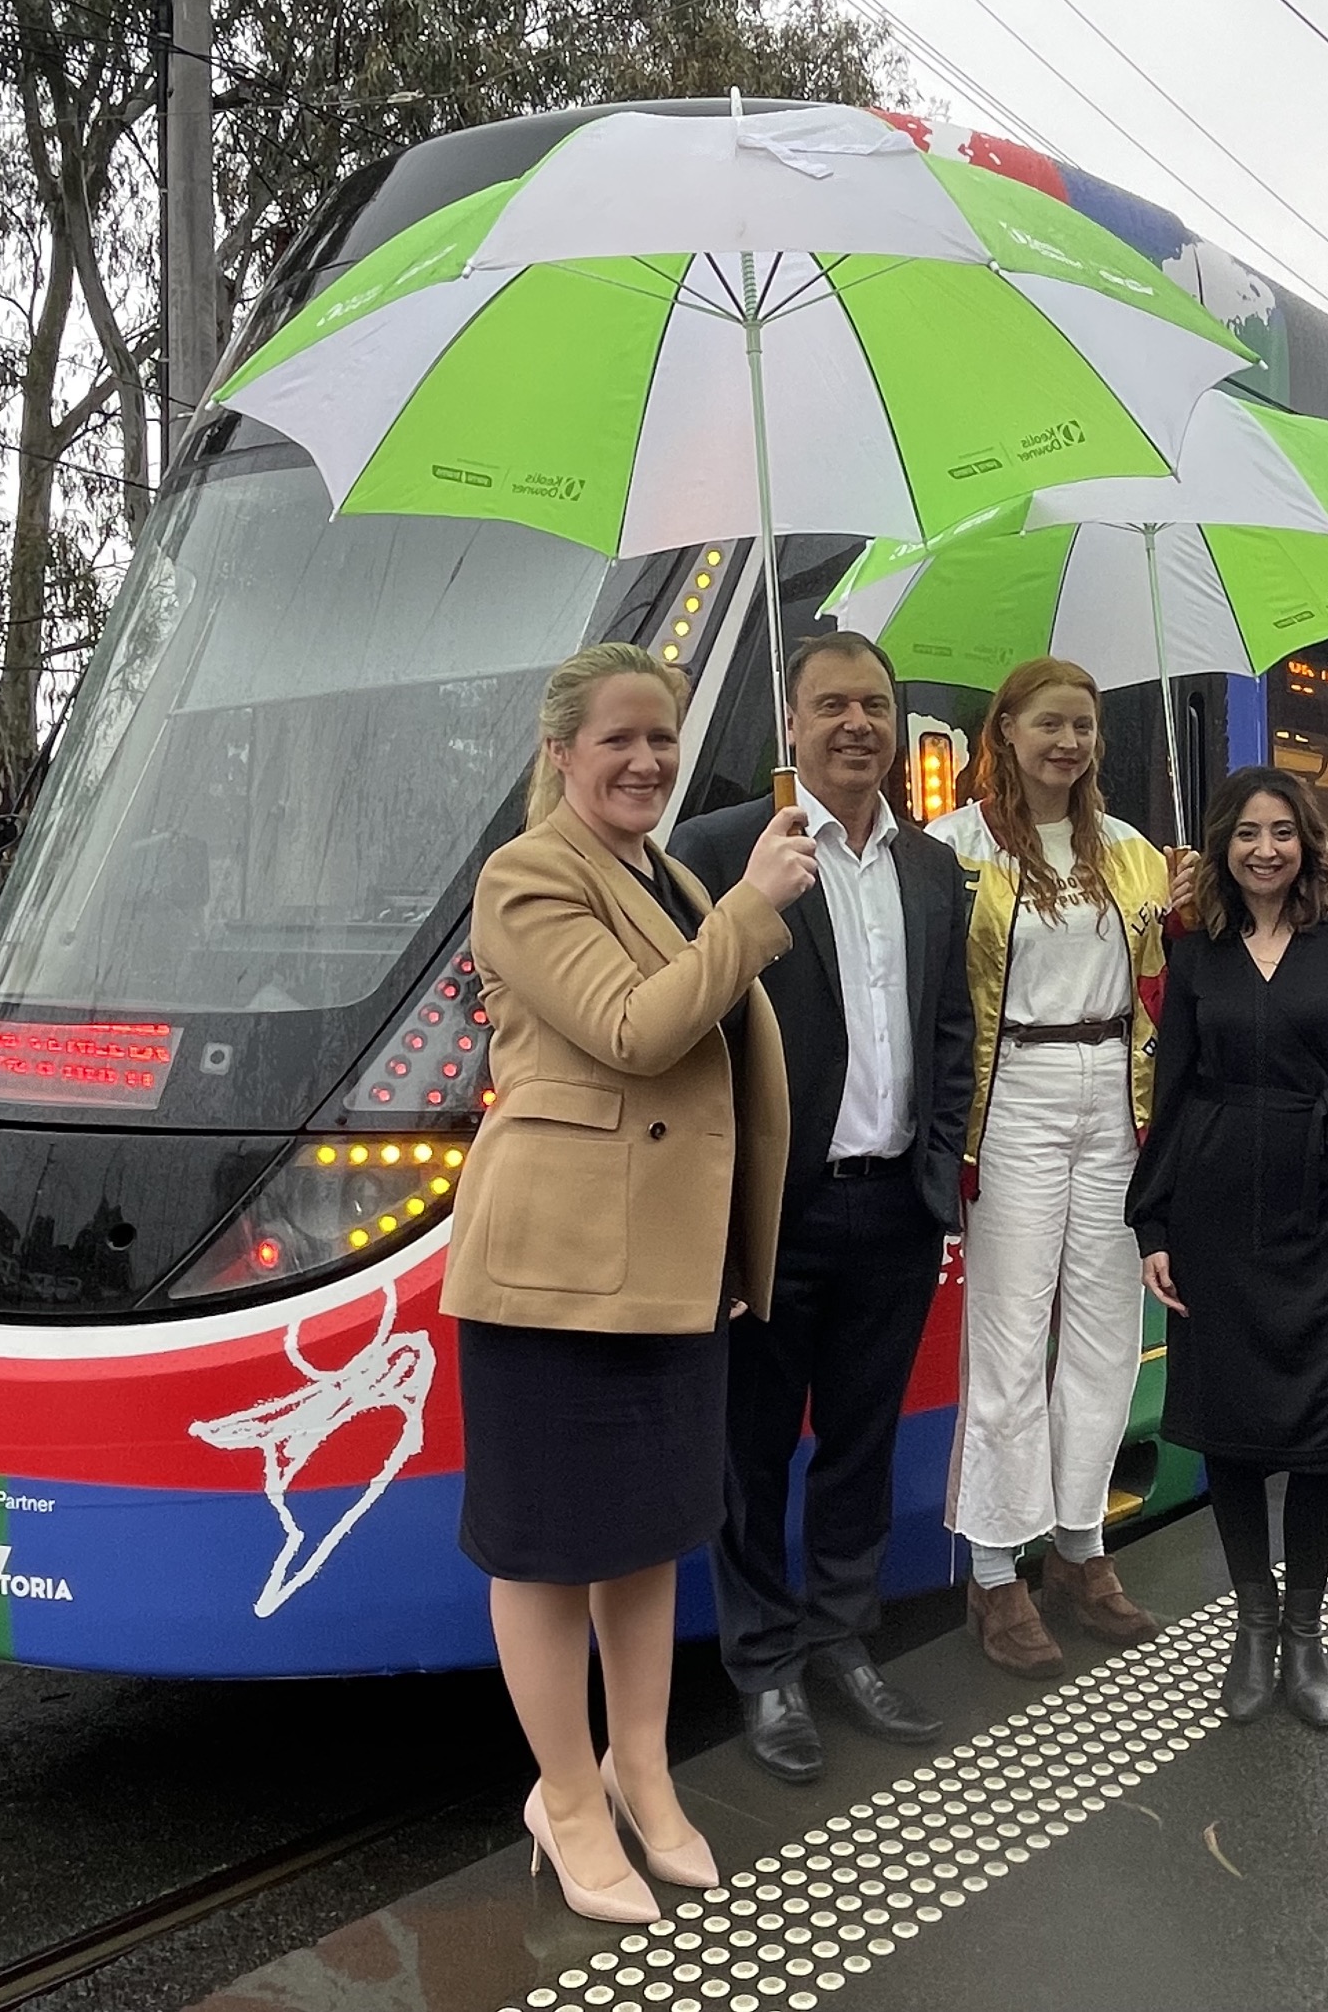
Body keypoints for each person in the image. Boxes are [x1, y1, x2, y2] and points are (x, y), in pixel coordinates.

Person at [445, 641, 820, 1923]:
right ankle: (562, 1796)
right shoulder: (528, 873)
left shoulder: (658, 872)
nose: (647, 760)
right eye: (618, 738)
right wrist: (753, 907)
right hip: (554, 1276)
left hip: (667, 1269)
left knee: (652, 1536)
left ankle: (641, 1771)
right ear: (560, 752)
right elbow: (631, 1030)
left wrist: (726, 906)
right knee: (549, 1550)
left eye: (662, 737)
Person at [670, 630, 975, 1785]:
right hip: (771, 1217)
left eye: (877, 707)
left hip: (894, 1208)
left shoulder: (934, 867)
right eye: (832, 705)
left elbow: (950, 1029)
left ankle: (843, 1641)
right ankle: (763, 1670)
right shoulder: (716, 852)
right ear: (789, 726)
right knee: (751, 1452)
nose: (858, 725)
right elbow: (684, 1022)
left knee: (858, 1443)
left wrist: (936, 1165)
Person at [1128, 765, 1328, 1730]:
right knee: (1232, 1429)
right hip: (1214, 1209)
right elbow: (1171, 1090)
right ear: (1222, 847)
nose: (1263, 849)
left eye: (1281, 831)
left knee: (1324, 1433)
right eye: (1246, 832)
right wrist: (1154, 1222)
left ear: (1307, 845)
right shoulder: (1199, 956)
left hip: (1326, 1206)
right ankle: (1252, 1629)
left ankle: (1304, 1632)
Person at [929, 656, 1176, 1677]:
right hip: (1015, 1096)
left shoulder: (1132, 852)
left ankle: (1080, 1545)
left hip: (1117, 1096)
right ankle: (995, 1567)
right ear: (1006, 734)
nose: (1067, 742)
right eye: (1047, 724)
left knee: (1107, 1341)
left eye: (1082, 725)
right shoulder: (952, 848)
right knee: (1009, 1336)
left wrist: (1190, 897)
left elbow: (1169, 975)